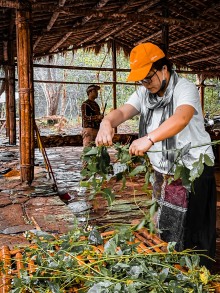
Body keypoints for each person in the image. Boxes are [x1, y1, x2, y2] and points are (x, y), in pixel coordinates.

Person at [95, 42, 216, 269]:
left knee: (193, 230)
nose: (146, 84)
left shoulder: (185, 89)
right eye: (142, 80)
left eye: (148, 78)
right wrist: (106, 123)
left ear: (164, 69)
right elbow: (122, 111)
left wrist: (149, 138)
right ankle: (172, 271)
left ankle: (199, 276)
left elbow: (181, 118)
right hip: (164, 171)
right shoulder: (144, 93)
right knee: (166, 225)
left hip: (194, 168)